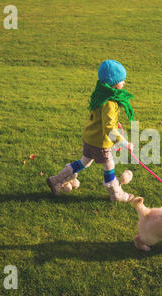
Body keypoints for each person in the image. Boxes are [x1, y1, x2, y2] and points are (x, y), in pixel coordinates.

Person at [47, 60, 135, 202]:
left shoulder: (101, 94)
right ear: (114, 83)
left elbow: (102, 119)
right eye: (122, 80)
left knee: (84, 162)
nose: (124, 83)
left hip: (90, 138)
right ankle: (116, 194)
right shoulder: (110, 103)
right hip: (99, 142)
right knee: (109, 165)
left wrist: (112, 121)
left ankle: (55, 180)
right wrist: (125, 144)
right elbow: (109, 130)